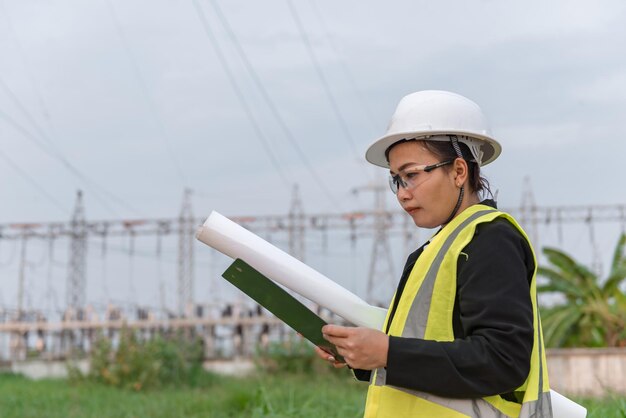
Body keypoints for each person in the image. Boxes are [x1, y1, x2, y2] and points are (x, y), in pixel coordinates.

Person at [314, 90, 552, 417]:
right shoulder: (433, 251)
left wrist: (388, 352)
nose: (402, 194)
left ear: (458, 171)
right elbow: (433, 363)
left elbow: (501, 361)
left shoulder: (490, 239)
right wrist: (361, 356)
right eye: (395, 181)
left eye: (411, 175)